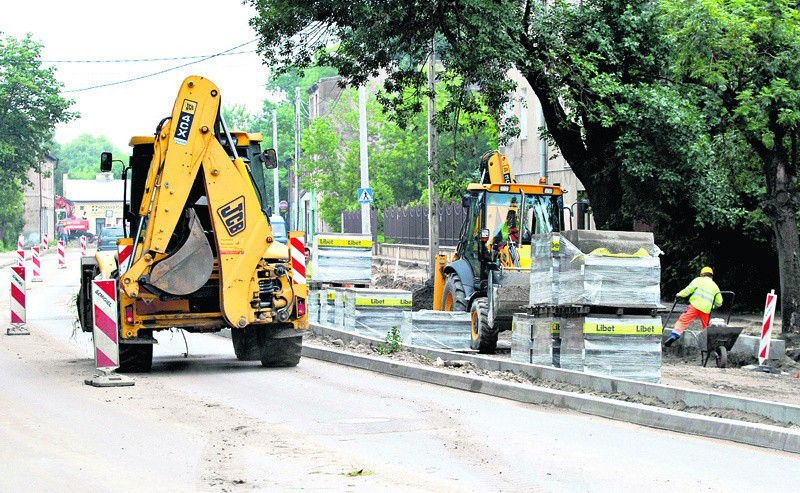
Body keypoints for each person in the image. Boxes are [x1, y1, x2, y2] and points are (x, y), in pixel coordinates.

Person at [664, 266, 723, 347]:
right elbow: (719, 302)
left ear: (702, 274)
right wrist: (712, 306)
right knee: (706, 326)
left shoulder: (698, 280)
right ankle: (709, 342)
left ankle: (674, 335)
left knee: (683, 320)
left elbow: (689, 290)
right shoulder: (715, 286)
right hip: (706, 309)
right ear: (711, 276)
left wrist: (679, 294)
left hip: (694, 306)